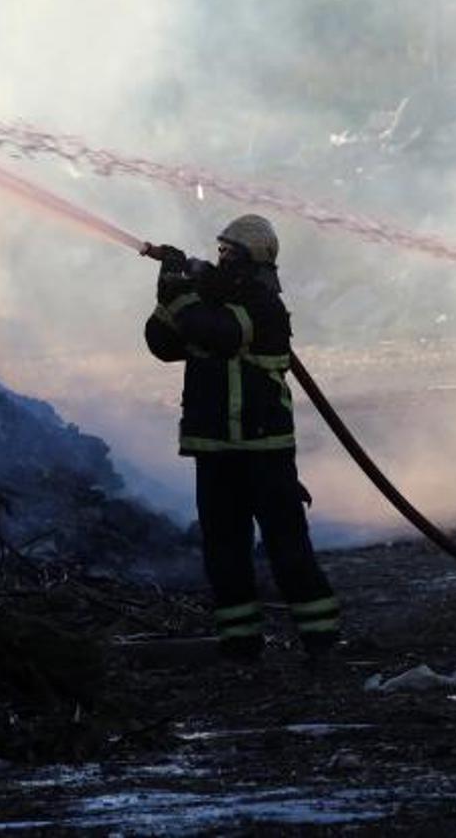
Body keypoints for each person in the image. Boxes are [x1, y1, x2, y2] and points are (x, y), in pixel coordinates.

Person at [143, 214, 341, 661]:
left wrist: (183, 290)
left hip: (263, 448)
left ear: (252, 261)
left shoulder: (263, 304)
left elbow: (218, 333)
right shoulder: (207, 303)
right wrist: (168, 285)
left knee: (286, 547)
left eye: (231, 254)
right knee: (224, 552)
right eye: (220, 252)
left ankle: (322, 639)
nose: (222, 260)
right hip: (214, 450)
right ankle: (240, 644)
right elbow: (161, 342)